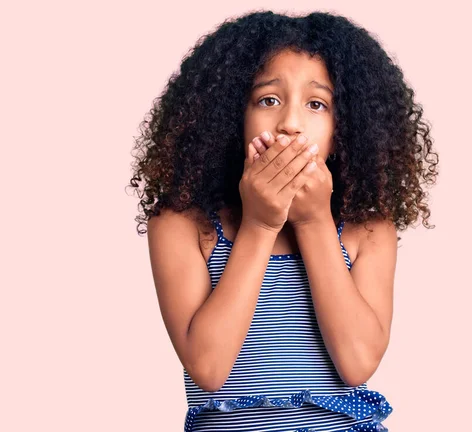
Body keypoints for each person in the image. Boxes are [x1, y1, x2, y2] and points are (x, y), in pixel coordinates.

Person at [127, 9, 438, 432]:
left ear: (342, 129)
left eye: (316, 104)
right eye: (268, 100)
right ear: (232, 115)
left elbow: (357, 362)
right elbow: (209, 367)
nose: (290, 123)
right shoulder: (183, 224)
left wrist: (313, 224)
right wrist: (259, 224)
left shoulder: (366, 229)